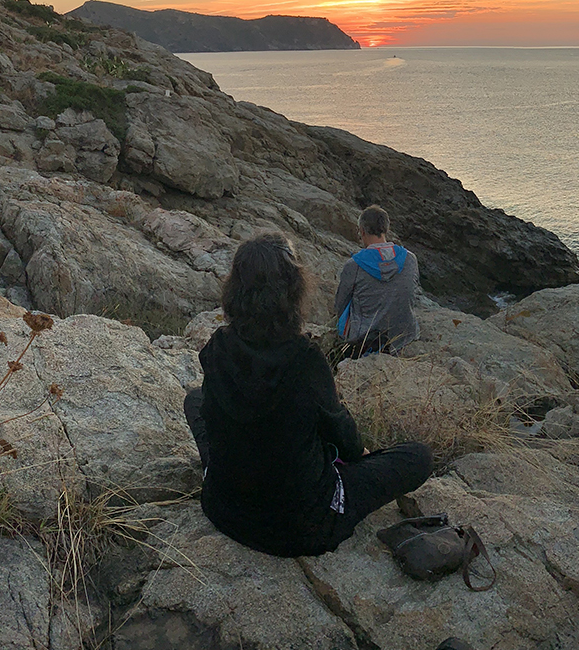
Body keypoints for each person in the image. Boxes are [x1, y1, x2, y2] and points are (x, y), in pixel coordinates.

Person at [183, 231, 432, 557]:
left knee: (195, 399)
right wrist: (359, 457)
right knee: (418, 456)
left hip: (224, 509)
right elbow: (346, 442)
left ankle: (220, 472)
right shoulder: (305, 359)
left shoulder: (218, 346)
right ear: (292, 290)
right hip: (302, 526)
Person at [330, 205, 420, 357]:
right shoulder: (410, 259)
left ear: (362, 231)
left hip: (365, 341)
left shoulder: (354, 265)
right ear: (386, 229)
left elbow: (340, 306)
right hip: (404, 337)